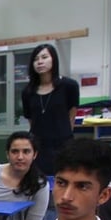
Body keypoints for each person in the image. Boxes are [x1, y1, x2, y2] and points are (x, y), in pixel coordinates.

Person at [21, 43, 79, 175]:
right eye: (36, 59)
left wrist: (64, 137)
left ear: (54, 59)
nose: (40, 62)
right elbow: (31, 120)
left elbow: (72, 116)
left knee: (64, 179)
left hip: (63, 144)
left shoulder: (69, 86)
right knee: (39, 184)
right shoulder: (28, 91)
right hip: (38, 147)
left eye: (44, 57)